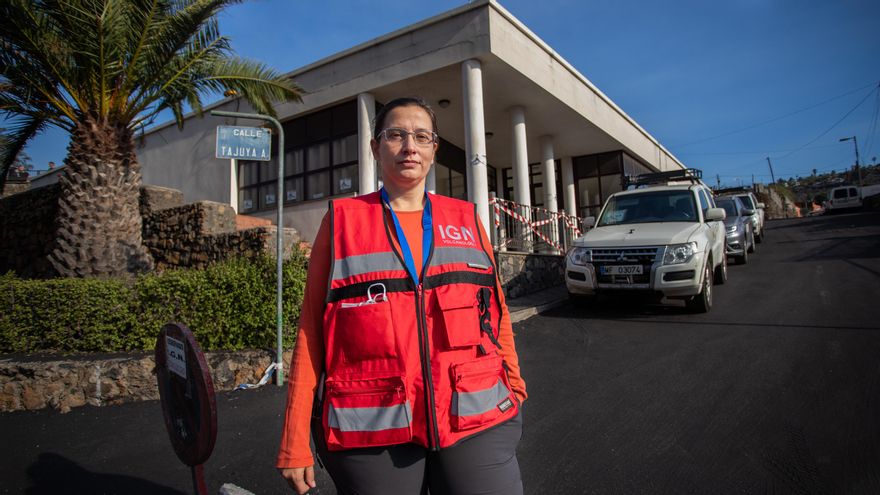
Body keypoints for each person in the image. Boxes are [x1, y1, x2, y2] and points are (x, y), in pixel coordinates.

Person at [277, 97, 527, 494]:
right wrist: (294, 439)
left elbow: (495, 315)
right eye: (396, 135)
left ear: (433, 150)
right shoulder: (341, 221)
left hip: (476, 413)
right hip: (373, 425)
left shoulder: (467, 219)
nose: (409, 146)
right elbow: (311, 331)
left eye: (421, 136)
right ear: (376, 148)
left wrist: (514, 384)